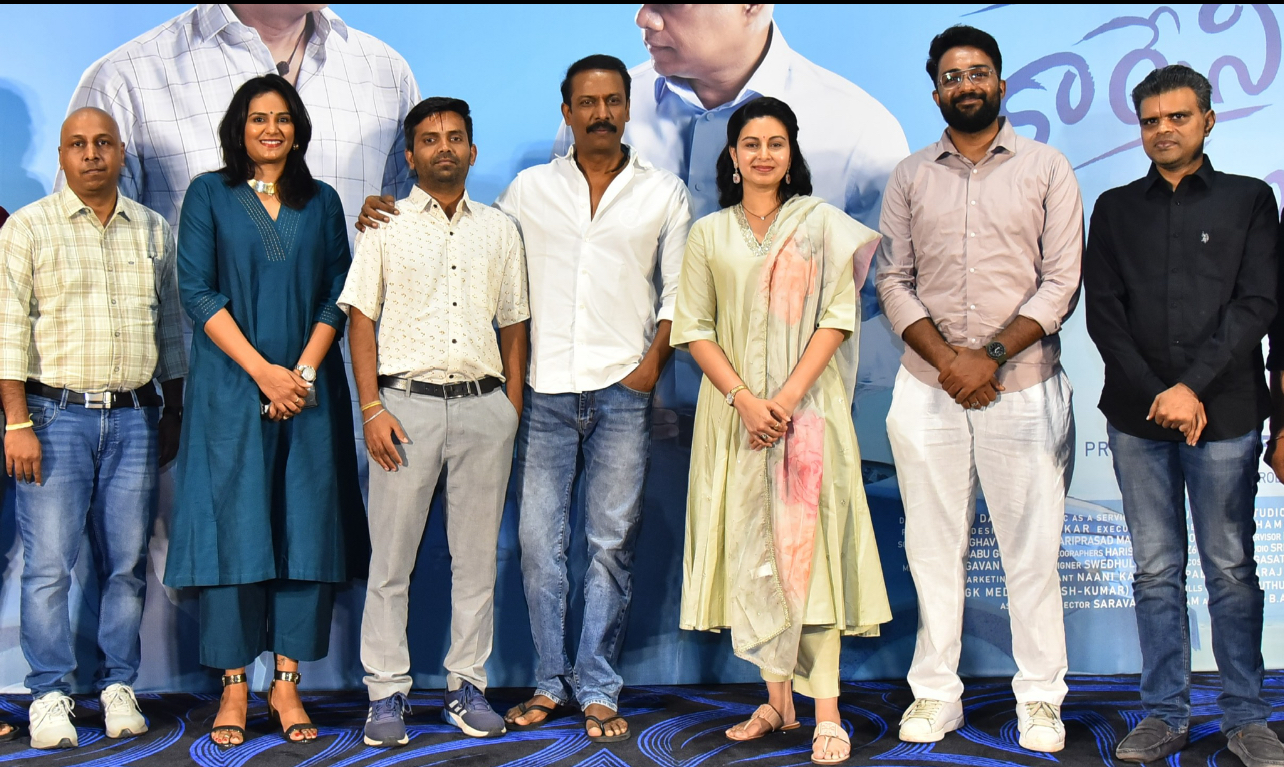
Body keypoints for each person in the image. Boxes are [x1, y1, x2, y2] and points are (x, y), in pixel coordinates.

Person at [875, 25, 1083, 752]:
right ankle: (936, 693)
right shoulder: (910, 176)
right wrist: (950, 362)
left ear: (1000, 82)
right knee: (932, 548)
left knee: (1032, 551)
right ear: (936, 92)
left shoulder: (1047, 168)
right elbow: (893, 280)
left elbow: (1062, 280)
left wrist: (989, 356)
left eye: (979, 72)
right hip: (928, 387)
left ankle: (1041, 698)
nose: (966, 84)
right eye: (953, 76)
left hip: (1021, 385)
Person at [672, 96, 890, 766]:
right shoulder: (709, 234)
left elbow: (837, 317)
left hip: (807, 419)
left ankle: (827, 711)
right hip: (735, 419)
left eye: (776, 143)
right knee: (754, 555)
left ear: (791, 155)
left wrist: (786, 401)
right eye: (751, 143)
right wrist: (744, 400)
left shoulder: (820, 224)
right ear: (733, 157)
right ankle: (777, 701)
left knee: (807, 556)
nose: (763, 154)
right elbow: (694, 327)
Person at [1085, 65, 1284, 767]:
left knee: (1230, 567)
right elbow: (1104, 314)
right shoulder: (1114, 208)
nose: (1163, 129)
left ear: (1208, 120)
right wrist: (1159, 393)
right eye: (1150, 120)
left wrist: (1191, 386)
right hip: (1137, 417)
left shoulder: (1250, 199)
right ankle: (1165, 713)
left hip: (1225, 413)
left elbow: (1258, 304)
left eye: (1177, 116)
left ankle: (1247, 717)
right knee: (1154, 570)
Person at [164, 74, 365, 748]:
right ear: (238, 129)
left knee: (304, 530)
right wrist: (263, 373)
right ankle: (233, 686)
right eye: (257, 118)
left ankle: (285, 682)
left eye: (282, 118)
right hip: (230, 393)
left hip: (308, 396)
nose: (271, 129)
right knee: (236, 531)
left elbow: (339, 290)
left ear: (299, 129)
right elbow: (197, 290)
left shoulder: (323, 201)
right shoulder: (208, 195)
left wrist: (300, 375)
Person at [340, 97, 529, 746]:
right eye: (429, 138)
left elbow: (514, 323)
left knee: (476, 561)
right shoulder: (384, 225)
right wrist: (372, 407)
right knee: (391, 562)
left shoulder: (499, 229)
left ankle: (466, 686)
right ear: (411, 154)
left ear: (472, 151)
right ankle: (385, 693)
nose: (443, 147)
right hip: (403, 410)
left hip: (484, 409)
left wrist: (510, 408)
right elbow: (360, 319)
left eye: (454, 137)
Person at [0, 107, 185, 749]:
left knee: (125, 564)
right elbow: (8, 330)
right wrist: (16, 420)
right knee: (49, 566)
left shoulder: (154, 230)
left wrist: (174, 409)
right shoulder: (29, 227)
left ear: (121, 152)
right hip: (52, 418)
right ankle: (49, 693)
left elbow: (171, 328)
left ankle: (118, 686)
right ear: (61, 155)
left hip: (137, 417)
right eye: (77, 144)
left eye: (103, 142)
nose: (91, 154)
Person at [64, 3, 419, 232]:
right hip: (197, 331)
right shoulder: (124, 78)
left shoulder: (387, 72)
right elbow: (82, 247)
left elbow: (417, 234)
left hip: (350, 332)